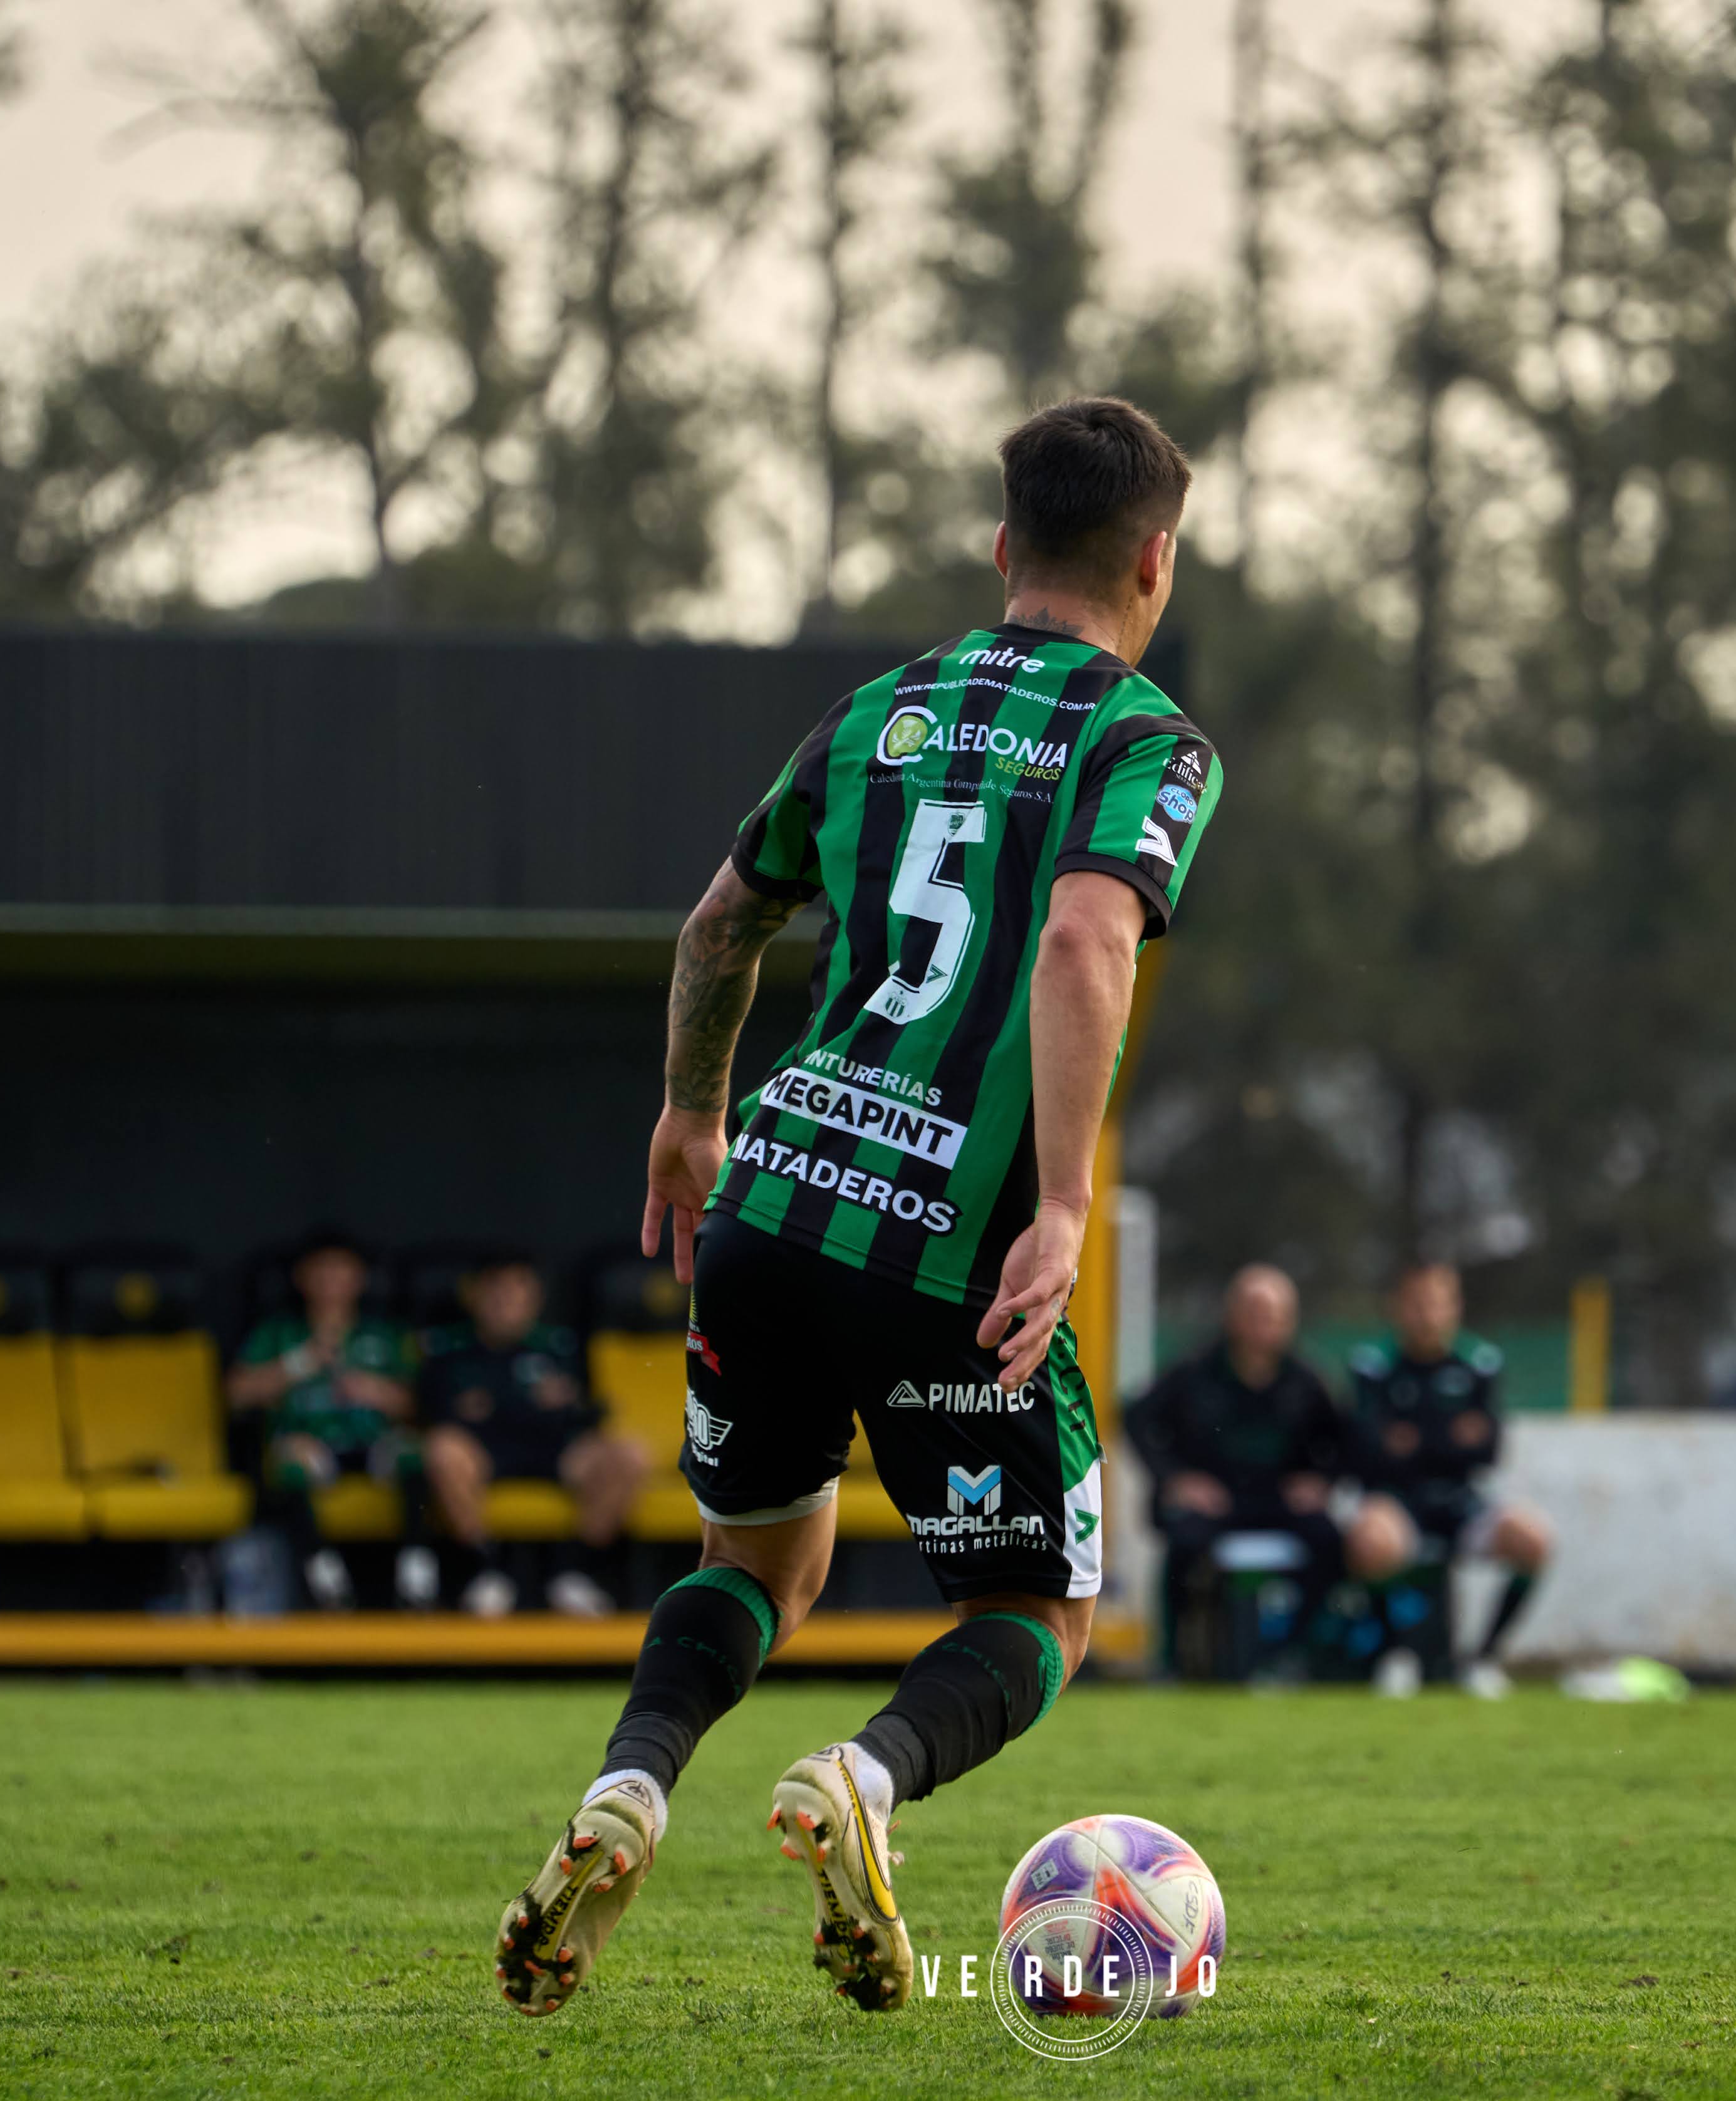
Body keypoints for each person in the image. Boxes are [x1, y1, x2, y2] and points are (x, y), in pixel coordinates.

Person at [492, 397, 1221, 2018]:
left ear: (998, 545)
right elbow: (1082, 941)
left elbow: (714, 927)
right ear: (1156, 560)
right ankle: (865, 1781)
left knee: (761, 1559)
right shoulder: (1144, 740)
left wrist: (692, 1111)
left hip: (771, 1201)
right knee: (1040, 1605)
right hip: (946, 1249)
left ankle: (632, 1787)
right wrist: (1061, 1202)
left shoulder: (876, 713)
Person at [1343, 1260, 1554, 1698]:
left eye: (1436, 1303)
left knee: (1532, 1540)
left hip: (1459, 1501)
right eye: (1416, 1303)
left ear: (1454, 1307)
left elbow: (1486, 1451)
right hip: (1397, 1501)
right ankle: (1396, 1653)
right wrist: (1446, 1438)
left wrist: (1413, 1440)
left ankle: (1482, 1658)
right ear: (1397, 1307)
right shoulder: (1372, 1365)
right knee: (1369, 1539)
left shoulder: (1480, 1363)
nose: (1426, 1315)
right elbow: (1369, 1451)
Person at [1126, 1264, 1347, 1669]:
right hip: (1216, 1502)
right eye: (1254, 1312)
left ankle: (1296, 1654)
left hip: (1276, 1501)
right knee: (1184, 1542)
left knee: (1329, 1539)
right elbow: (1136, 1418)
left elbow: (1344, 1437)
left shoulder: (1307, 1379)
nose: (1264, 1324)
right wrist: (1174, 1478)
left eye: (1274, 1314)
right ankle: (1174, 1660)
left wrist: (1322, 1483)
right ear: (1231, 1315)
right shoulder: (1193, 1371)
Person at [418, 1257, 649, 1621]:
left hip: (554, 1450)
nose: (505, 1301)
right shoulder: (448, 1348)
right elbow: (438, 1410)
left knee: (629, 1455)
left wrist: (496, 1403)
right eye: (495, 1292)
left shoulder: (560, 1345)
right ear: (474, 1297)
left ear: (535, 1299)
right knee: (443, 1450)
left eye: (516, 1291)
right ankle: (487, 1570)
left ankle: (571, 1571)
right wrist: (527, 1401)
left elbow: (588, 1410)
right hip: (485, 1453)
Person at [225, 1229, 424, 1612]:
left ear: (360, 1279)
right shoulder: (280, 1332)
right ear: (301, 1278)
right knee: (290, 1460)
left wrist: (375, 1391)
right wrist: (301, 1363)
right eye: (321, 1271)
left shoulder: (386, 1335)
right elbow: (235, 1395)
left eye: (341, 1270)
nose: (331, 1280)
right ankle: (322, 1573)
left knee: (418, 1453)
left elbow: (424, 1407)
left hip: (375, 1444)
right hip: (313, 1445)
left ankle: (418, 1570)